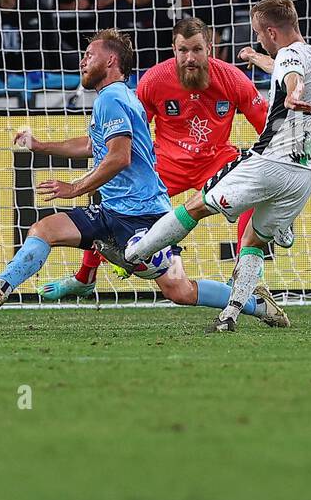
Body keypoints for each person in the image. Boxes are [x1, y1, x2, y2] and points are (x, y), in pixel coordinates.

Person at [0, 29, 291, 327]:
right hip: (112, 212)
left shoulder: (113, 99)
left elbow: (119, 157)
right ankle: (0, 287)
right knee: (44, 230)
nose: (83, 61)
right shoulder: (116, 97)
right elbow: (93, 146)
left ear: (111, 60)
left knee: (180, 290)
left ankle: (253, 303)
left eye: (90, 55)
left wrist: (75, 188)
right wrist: (40, 145)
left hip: (144, 216)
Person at [97, 0, 311, 333]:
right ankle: (232, 313)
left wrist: (293, 94)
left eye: (259, 35)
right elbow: (284, 68)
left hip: (270, 162)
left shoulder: (287, 58)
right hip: (307, 170)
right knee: (254, 241)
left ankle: (132, 254)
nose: (258, 40)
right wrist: (256, 58)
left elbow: (290, 75)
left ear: (271, 32)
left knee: (195, 208)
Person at [37, 17, 283, 301]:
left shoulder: (233, 78)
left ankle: (247, 276)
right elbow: (133, 133)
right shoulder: (154, 80)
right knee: (113, 204)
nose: (190, 58)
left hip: (216, 159)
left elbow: (266, 125)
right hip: (167, 162)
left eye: (197, 50)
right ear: (174, 49)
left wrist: (285, 164)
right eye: (183, 50)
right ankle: (85, 278)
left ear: (209, 48)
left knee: (253, 192)